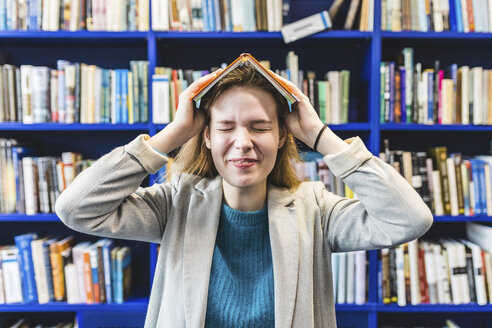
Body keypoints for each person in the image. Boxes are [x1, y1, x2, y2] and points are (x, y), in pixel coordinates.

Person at [55, 63, 433, 328]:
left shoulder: (316, 209)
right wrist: (172, 133)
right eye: (225, 127)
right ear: (206, 135)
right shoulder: (175, 204)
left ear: (282, 135)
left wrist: (319, 134)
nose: (243, 143)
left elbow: (409, 218)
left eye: (260, 127)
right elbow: (76, 209)